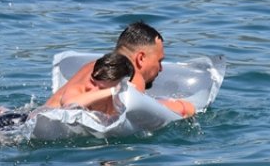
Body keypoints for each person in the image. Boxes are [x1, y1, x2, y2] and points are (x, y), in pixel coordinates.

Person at [52, 21, 196, 117]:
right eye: (159, 61)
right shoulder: (133, 77)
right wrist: (183, 108)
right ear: (140, 58)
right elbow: (141, 113)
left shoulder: (92, 66)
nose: (161, 69)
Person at [43, 52, 133, 116]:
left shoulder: (119, 95)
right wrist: (111, 91)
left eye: (101, 88)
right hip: (36, 121)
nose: (92, 89)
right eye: (92, 82)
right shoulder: (78, 89)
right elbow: (69, 105)